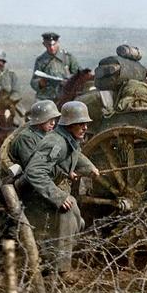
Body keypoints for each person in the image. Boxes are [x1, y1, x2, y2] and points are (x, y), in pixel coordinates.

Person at [21, 100, 100, 280]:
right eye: (80, 124)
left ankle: (51, 260)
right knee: (66, 220)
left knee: (78, 221)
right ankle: (61, 270)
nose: (85, 127)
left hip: (52, 191)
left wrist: (89, 168)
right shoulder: (56, 142)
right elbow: (34, 171)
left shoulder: (69, 139)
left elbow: (76, 155)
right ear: (69, 124)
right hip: (38, 195)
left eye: (86, 123)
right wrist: (57, 196)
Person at [7, 100, 61, 169]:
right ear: (40, 119)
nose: (53, 123)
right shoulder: (26, 138)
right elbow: (32, 167)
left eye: (54, 119)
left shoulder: (48, 133)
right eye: (49, 119)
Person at [31, 32, 80, 102]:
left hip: (66, 96)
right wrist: (40, 83)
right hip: (46, 97)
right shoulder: (40, 60)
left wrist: (70, 81)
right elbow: (33, 81)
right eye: (49, 45)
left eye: (54, 45)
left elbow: (79, 75)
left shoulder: (68, 58)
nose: (51, 47)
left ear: (58, 43)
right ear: (44, 44)